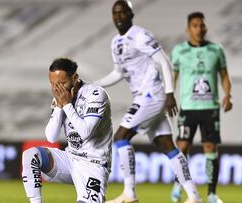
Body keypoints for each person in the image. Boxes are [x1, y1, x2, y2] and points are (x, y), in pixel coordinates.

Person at [94, 1, 202, 203]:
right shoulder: (115, 42)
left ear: (131, 14)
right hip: (144, 96)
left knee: (120, 137)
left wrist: (170, 93)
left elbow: (164, 61)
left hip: (151, 94)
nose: (118, 16)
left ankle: (129, 193)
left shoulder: (140, 35)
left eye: (122, 12)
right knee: (167, 145)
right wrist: (94, 84)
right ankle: (194, 196)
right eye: (114, 13)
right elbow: (118, 72)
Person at [22, 58, 113, 203]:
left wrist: (66, 105)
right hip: (70, 159)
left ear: (75, 78)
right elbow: (51, 137)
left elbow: (85, 132)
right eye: (53, 84)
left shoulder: (96, 95)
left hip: (93, 164)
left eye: (62, 83)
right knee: (31, 154)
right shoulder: (60, 99)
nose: (57, 89)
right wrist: (59, 107)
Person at [170, 11, 232, 203]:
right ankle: (178, 185)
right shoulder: (179, 51)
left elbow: (224, 76)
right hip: (188, 107)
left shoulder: (216, 50)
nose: (199, 29)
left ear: (206, 27)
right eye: (195, 25)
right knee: (182, 147)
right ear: (188, 29)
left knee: (210, 147)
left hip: (209, 107)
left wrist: (228, 95)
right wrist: (169, 96)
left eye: (201, 25)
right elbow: (173, 77)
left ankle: (212, 194)